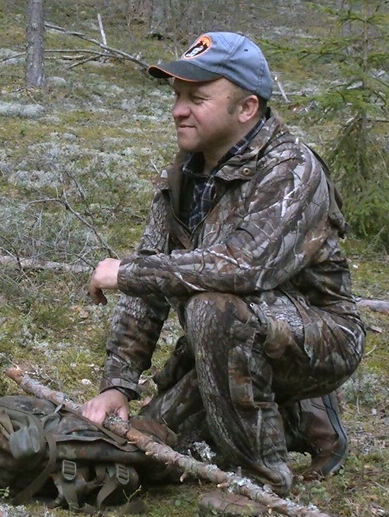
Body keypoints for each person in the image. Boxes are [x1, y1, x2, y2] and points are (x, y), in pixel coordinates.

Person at [82, 31, 363, 493]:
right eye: (177, 96)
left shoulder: (292, 169)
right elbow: (150, 286)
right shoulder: (185, 175)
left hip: (321, 336)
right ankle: (296, 416)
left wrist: (127, 273)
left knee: (214, 307)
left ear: (247, 108)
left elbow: (244, 266)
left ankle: (262, 481)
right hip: (224, 340)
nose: (178, 109)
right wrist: (119, 383)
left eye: (198, 97)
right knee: (147, 447)